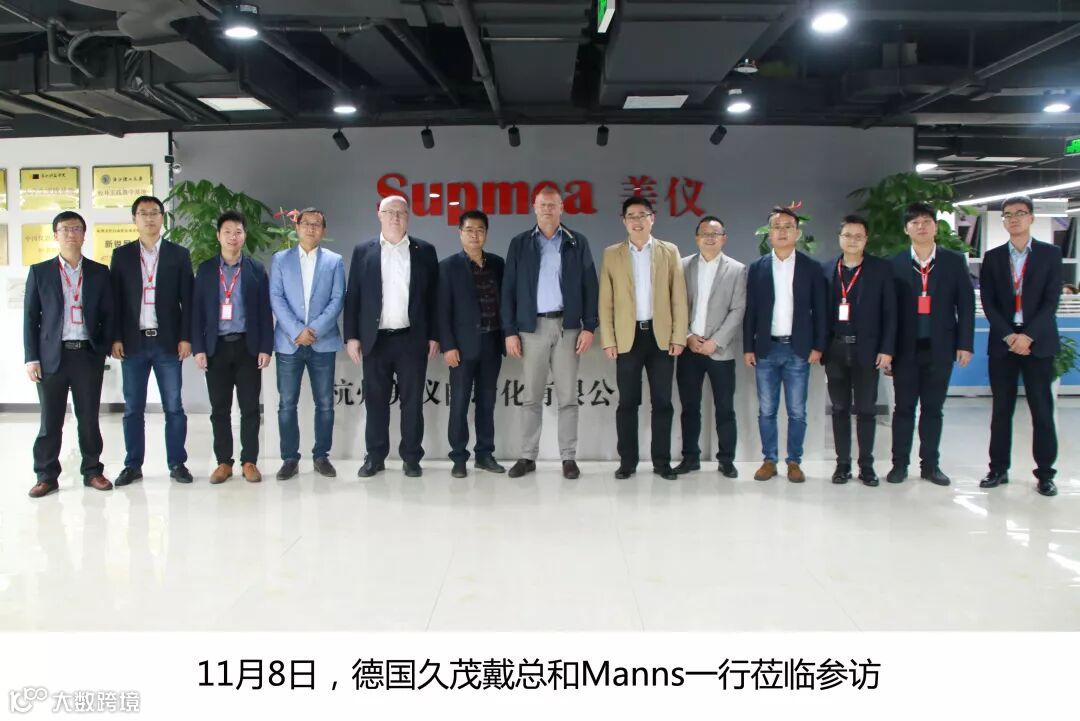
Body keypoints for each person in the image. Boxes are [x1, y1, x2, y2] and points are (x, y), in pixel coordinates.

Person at [501, 187, 599, 479]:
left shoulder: (576, 242)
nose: (547, 209)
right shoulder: (520, 243)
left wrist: (589, 326)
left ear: (561, 208)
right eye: (542, 205)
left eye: (552, 205)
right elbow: (508, 289)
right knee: (531, 397)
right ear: (534, 208)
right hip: (531, 329)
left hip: (568, 327)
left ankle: (568, 458)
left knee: (568, 397)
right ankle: (527, 456)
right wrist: (510, 331)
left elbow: (590, 285)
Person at [344, 195, 439, 478]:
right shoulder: (363, 251)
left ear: (408, 216)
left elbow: (434, 298)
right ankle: (375, 457)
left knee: (412, 402)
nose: (395, 217)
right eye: (390, 212)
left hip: (412, 339)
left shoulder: (425, 251)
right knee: (375, 401)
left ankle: (411, 457)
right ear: (380, 215)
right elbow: (353, 296)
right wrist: (352, 336)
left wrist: (434, 335)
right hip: (376, 340)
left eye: (401, 212)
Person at [24, 211, 114, 497]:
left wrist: (103, 348)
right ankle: (46, 475)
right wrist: (31, 358)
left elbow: (109, 313)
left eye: (76, 228)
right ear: (55, 235)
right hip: (52, 357)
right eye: (64, 229)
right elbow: (30, 318)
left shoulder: (99, 272)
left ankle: (93, 471)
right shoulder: (40, 272)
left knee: (89, 418)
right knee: (50, 421)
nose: (70, 234)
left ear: (84, 235)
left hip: (86, 355)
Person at [599, 196, 687, 480]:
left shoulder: (669, 251)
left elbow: (678, 297)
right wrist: (609, 339)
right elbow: (606, 301)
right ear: (624, 221)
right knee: (628, 402)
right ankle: (627, 461)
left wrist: (679, 336)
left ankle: (662, 463)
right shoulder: (612, 254)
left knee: (662, 402)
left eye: (642, 215)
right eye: (631, 216)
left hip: (661, 338)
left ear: (652, 218)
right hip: (628, 338)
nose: (637, 221)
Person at [979, 195, 1062, 497]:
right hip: (1004, 343)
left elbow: (1051, 300)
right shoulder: (993, 257)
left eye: (1020, 213)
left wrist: (1028, 336)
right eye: (1007, 215)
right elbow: (988, 302)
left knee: (1042, 410)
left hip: (1038, 343)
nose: (1013, 219)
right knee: (1001, 410)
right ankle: (998, 469)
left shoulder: (1050, 254)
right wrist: (1009, 336)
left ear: (1031, 218)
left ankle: (1045, 474)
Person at [888, 202, 974, 486]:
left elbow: (966, 305)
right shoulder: (895, 263)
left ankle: (930, 466)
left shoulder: (953, 261)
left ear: (936, 226)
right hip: (905, 350)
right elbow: (888, 312)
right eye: (914, 222)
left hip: (940, 347)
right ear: (906, 229)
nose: (921, 227)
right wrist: (887, 350)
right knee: (903, 409)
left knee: (933, 409)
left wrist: (965, 343)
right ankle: (899, 465)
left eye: (926, 221)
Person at [110, 195, 195, 486]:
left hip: (168, 342)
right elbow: (115, 302)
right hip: (132, 343)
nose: (149, 218)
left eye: (154, 212)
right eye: (143, 213)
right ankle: (133, 465)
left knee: (174, 406)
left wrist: (186, 337)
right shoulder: (121, 256)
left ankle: (177, 463)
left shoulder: (178, 254)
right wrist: (116, 337)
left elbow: (188, 300)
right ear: (134, 219)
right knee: (133, 408)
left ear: (162, 218)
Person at [743, 206, 827, 483]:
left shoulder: (811, 268)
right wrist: (748, 347)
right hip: (766, 350)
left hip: (798, 349)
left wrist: (818, 346)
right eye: (776, 227)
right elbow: (751, 311)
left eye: (788, 226)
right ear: (769, 233)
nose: (782, 232)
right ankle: (769, 460)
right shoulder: (758, 268)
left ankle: (794, 462)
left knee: (797, 411)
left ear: (797, 233)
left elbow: (820, 310)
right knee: (766, 410)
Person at [192, 210, 273, 484]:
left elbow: (265, 312)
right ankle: (223, 463)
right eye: (227, 232)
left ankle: (249, 461)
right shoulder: (205, 270)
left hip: (247, 348)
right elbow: (197, 312)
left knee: (250, 408)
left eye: (238, 232)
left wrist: (266, 348)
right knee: (220, 410)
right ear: (218, 236)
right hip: (216, 349)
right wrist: (198, 348)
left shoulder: (256, 270)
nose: (232, 237)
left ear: (244, 236)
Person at [269, 207, 345, 480]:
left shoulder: (334, 261)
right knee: (287, 403)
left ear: (324, 230)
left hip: (322, 342)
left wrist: (313, 330)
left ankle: (321, 456)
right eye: (306, 223)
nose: (311, 228)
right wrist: (296, 331)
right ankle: (289, 459)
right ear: (297, 227)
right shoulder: (280, 259)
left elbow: (337, 299)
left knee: (324, 403)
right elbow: (276, 297)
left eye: (316, 224)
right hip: (289, 342)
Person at [821, 215, 896, 486]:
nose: (852, 240)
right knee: (839, 408)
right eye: (847, 235)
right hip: (836, 350)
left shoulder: (880, 269)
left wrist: (887, 349)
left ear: (866, 239)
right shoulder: (827, 269)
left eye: (858, 236)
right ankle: (842, 464)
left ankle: (867, 465)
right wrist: (820, 347)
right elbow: (820, 314)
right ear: (839, 238)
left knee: (866, 408)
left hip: (868, 350)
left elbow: (890, 312)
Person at [674, 215, 746, 478]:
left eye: (715, 234)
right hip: (689, 349)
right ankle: (690, 458)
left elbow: (738, 309)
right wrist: (687, 336)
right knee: (689, 407)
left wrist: (715, 341)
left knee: (725, 408)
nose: (710, 238)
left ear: (724, 238)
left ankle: (726, 460)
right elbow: (674, 305)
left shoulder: (737, 269)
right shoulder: (682, 266)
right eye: (705, 233)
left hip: (720, 351)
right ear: (697, 238)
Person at [438, 209, 507, 478]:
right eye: (469, 230)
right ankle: (458, 457)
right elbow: (441, 310)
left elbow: (505, 304)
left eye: (480, 230)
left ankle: (484, 454)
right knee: (459, 403)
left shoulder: (498, 264)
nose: (475, 235)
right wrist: (448, 346)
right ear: (460, 233)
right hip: (462, 348)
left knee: (487, 403)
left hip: (491, 344)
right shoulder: (448, 267)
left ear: (486, 233)